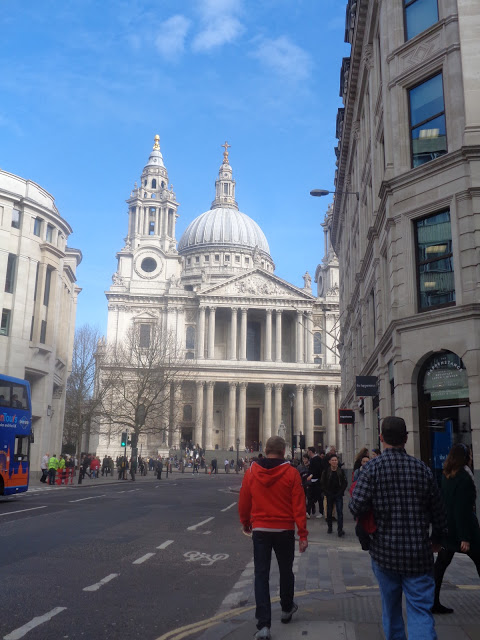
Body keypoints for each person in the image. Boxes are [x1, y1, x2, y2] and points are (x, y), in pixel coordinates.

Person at [349, 416, 447, 640]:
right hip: (419, 555)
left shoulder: (371, 469)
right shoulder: (422, 469)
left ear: (381, 438)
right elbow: (439, 512)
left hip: (385, 554)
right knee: (420, 612)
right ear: (406, 438)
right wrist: (437, 539)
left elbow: (356, 506)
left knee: (391, 610)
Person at [238, 436, 308, 639]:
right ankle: (286, 608)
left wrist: (245, 522)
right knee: (286, 571)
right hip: (284, 530)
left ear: (265, 449)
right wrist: (302, 533)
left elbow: (244, 500)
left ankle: (264, 626)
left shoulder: (251, 472)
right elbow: (299, 506)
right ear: (284, 451)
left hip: (260, 530)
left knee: (261, 575)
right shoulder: (292, 473)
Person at [432, 443, 480, 614]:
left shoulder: (447, 475)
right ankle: (433, 602)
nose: (472, 458)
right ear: (465, 457)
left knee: (440, 567)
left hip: (448, 529)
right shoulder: (464, 478)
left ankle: (432, 601)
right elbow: (462, 509)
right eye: (470, 455)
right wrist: (465, 537)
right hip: (464, 530)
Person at [321, 453, 348, 536]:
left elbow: (344, 483)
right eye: (332, 460)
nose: (334, 462)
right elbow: (322, 483)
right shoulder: (326, 471)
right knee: (329, 512)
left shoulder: (341, 471)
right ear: (329, 462)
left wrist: (341, 491)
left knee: (340, 512)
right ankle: (330, 527)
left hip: (338, 494)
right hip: (329, 494)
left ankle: (340, 529)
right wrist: (326, 492)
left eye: (335, 460)